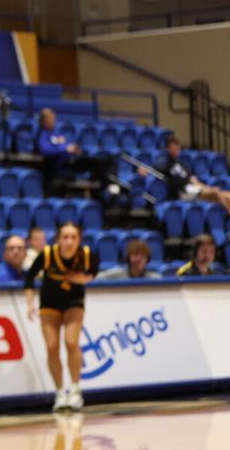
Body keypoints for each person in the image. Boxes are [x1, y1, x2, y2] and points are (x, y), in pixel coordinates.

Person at [24, 222, 99, 412]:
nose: (69, 241)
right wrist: (30, 303)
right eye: (65, 237)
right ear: (58, 239)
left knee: (71, 342)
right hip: (49, 302)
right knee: (51, 347)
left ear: (79, 239)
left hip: (73, 302)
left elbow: (93, 272)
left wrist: (84, 279)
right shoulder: (47, 254)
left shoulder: (87, 255)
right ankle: (60, 393)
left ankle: (75, 390)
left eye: (73, 237)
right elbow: (29, 278)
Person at [36, 108, 112, 196]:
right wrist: (65, 149)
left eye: (53, 118)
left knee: (102, 161)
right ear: (44, 121)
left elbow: (65, 144)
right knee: (94, 163)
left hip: (71, 160)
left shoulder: (56, 133)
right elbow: (46, 150)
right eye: (51, 119)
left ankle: (103, 183)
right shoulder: (42, 135)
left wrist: (73, 149)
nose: (53, 121)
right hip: (60, 165)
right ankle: (105, 186)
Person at [151, 136, 230, 215]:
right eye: (172, 146)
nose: (175, 148)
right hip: (183, 192)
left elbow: (193, 180)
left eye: (176, 146)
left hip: (192, 188)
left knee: (225, 194)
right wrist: (145, 170)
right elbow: (154, 168)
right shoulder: (166, 164)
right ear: (168, 149)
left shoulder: (183, 165)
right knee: (216, 193)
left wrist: (208, 189)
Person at [97, 239, 161, 280]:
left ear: (147, 259)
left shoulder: (155, 278)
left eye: (143, 255)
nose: (139, 259)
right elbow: (97, 277)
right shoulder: (116, 274)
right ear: (128, 257)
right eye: (135, 255)